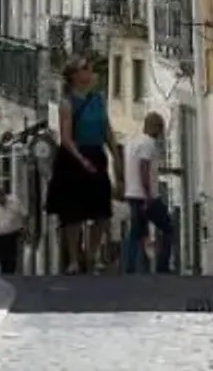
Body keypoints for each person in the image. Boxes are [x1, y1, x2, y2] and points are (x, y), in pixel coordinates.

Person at [46, 59, 115, 272]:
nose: (90, 71)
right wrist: (81, 160)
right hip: (73, 158)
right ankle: (74, 259)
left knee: (102, 212)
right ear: (75, 76)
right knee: (73, 213)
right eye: (85, 68)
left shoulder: (99, 99)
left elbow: (107, 130)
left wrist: (116, 157)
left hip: (96, 153)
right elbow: (66, 138)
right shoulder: (67, 103)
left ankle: (92, 255)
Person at [121, 111, 175, 274]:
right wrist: (148, 195)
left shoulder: (131, 143)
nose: (161, 134)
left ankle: (130, 266)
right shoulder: (148, 144)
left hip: (132, 193)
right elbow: (144, 168)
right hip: (146, 195)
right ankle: (162, 265)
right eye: (161, 129)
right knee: (168, 228)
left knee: (136, 232)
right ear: (156, 128)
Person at [0, 185, 27, 275]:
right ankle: (6, 273)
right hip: (1, 234)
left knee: (13, 256)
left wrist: (24, 229)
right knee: (3, 257)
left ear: (4, 195)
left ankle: (14, 271)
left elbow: (24, 215)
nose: (0, 200)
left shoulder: (15, 201)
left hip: (14, 232)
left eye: (1, 197)